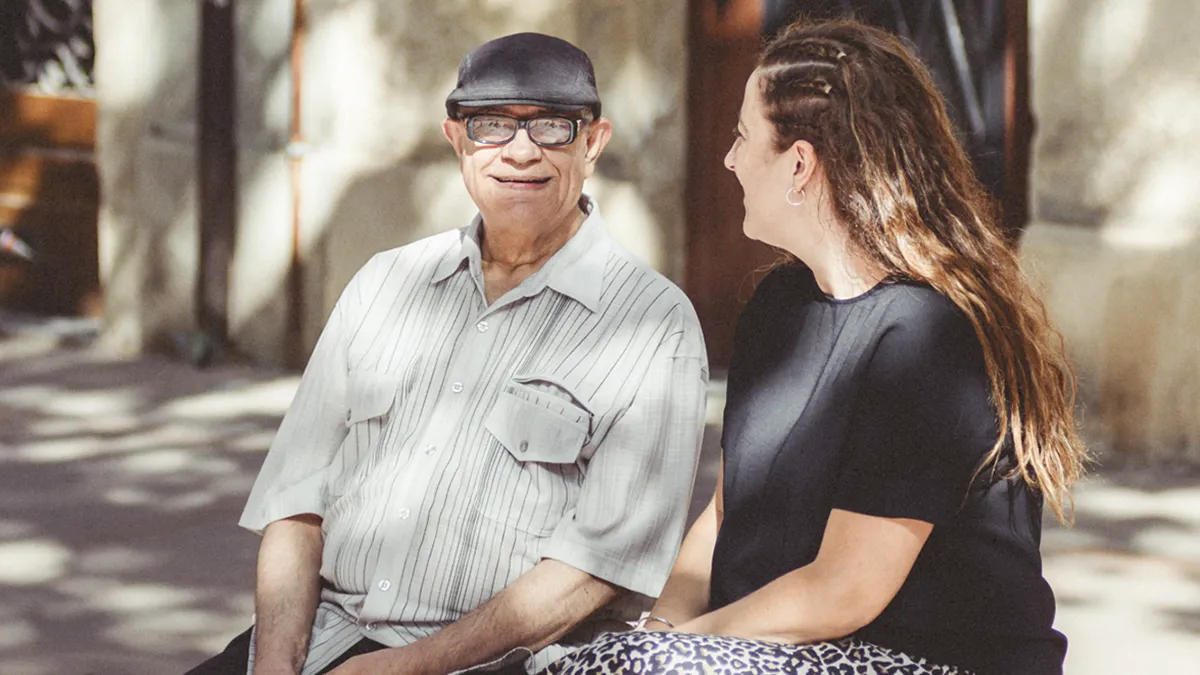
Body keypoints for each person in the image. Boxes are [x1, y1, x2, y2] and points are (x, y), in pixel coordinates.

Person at [541, 17, 1087, 675]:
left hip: (924, 660)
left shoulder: (928, 338)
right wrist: (659, 630)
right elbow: (721, 517)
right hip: (774, 652)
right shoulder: (778, 307)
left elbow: (843, 590)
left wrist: (668, 654)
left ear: (799, 164)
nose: (730, 159)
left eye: (744, 137)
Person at [185, 32, 709, 675]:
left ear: (593, 142)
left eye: (552, 128)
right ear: (456, 139)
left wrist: (404, 667)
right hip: (326, 638)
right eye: (491, 126)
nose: (520, 152)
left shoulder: (655, 324)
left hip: (497, 664)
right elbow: (296, 504)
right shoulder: (385, 281)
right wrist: (273, 667)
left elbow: (594, 570)